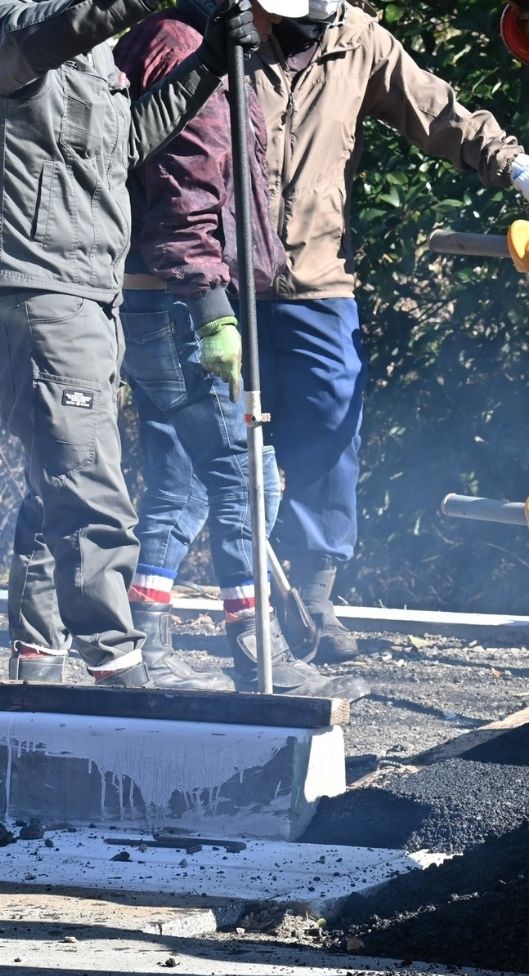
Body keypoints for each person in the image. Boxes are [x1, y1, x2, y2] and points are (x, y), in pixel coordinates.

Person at [248, 1, 529, 664]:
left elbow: (439, 113)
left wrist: (520, 170)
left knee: (332, 435)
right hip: (222, 279)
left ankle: (312, 598)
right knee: (220, 445)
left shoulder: (359, 40)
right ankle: (221, 605)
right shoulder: (220, 31)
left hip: (318, 279)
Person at [113, 0, 368, 698]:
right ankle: (261, 658)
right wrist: (209, 309)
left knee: (187, 481)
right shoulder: (186, 50)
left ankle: (150, 639)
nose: (285, 27)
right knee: (246, 477)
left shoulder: (198, 45)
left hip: (167, 295)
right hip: (179, 298)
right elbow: (187, 194)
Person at [0, 0, 258, 688]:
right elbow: (70, 23)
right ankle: (114, 662)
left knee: (57, 475)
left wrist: (207, 63)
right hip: (44, 287)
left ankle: (39, 659)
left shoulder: (95, 56)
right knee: (89, 482)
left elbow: (127, 143)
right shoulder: (19, 27)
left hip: (88, 287)